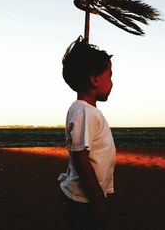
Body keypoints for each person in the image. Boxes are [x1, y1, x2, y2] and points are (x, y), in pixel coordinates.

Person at [58, 36, 116, 230]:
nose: (112, 82)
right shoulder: (84, 112)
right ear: (94, 79)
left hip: (86, 198)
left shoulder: (85, 110)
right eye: (109, 76)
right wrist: (98, 200)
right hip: (83, 201)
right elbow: (81, 157)